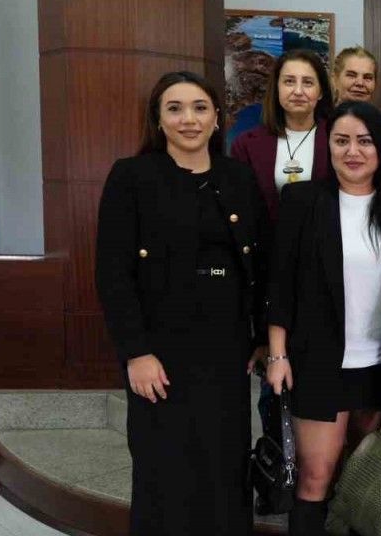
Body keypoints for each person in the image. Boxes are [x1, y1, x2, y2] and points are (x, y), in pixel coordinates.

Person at [96, 71, 268, 536]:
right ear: (158, 119)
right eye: (174, 108)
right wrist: (136, 351)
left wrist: (260, 338)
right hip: (160, 354)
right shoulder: (131, 177)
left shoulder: (237, 177)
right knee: (163, 470)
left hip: (225, 352)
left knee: (225, 468)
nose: (188, 119)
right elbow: (113, 274)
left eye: (199, 108)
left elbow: (260, 262)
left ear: (216, 118)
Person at [264, 100, 381, 535]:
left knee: (366, 479)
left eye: (364, 141)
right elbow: (280, 283)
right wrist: (277, 355)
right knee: (316, 476)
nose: (353, 151)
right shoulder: (303, 200)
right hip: (319, 362)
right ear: (328, 147)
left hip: (380, 365)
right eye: (342, 141)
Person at [231, 49, 333, 220]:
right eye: (289, 81)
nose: (298, 91)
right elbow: (242, 205)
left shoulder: (337, 140)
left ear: (321, 92)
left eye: (308, 82)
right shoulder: (246, 145)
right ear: (277, 88)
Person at [329, 45, 381, 182]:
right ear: (335, 79)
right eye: (351, 75)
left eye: (368, 77)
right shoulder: (320, 125)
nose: (360, 83)